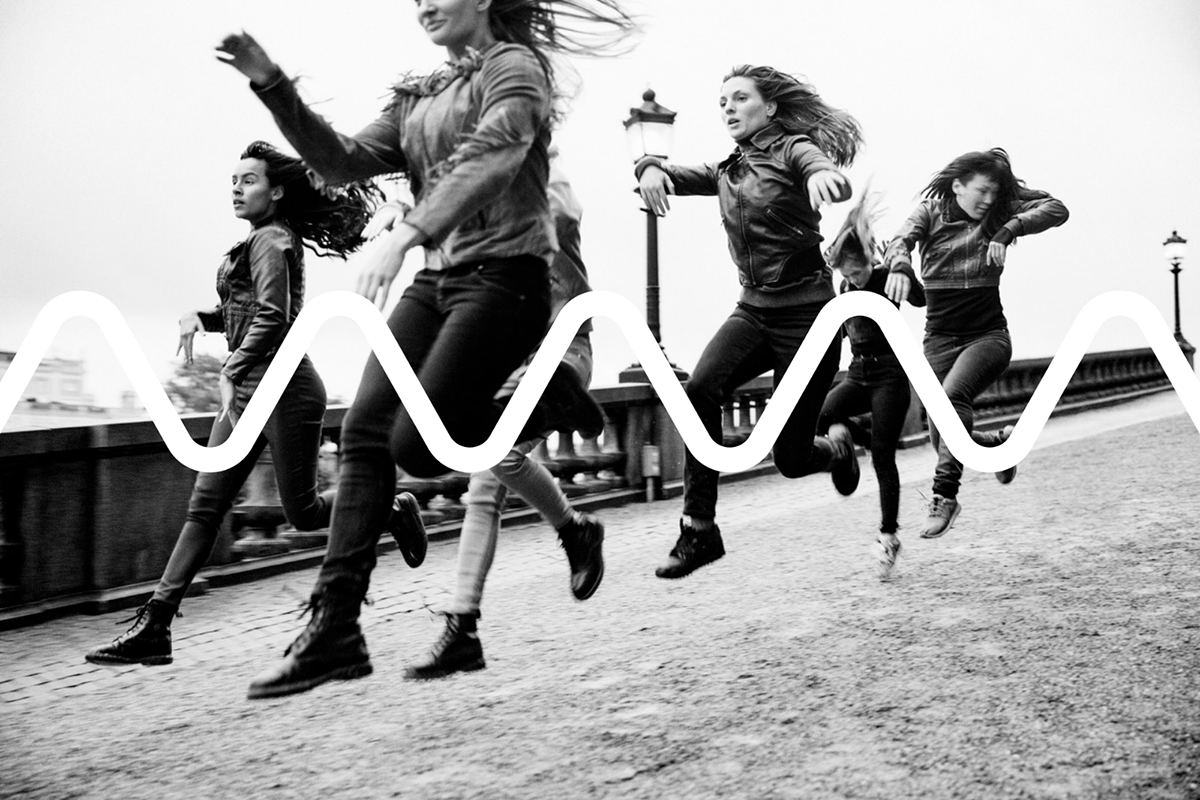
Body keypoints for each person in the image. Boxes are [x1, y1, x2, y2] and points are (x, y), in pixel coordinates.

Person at [217, 0, 636, 699]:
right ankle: (337, 629)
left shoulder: (515, 70)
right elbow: (342, 161)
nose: (426, 5)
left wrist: (407, 230)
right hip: (439, 281)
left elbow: (492, 157)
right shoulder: (419, 98)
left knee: (418, 446)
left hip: (509, 277)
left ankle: (546, 401)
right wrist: (273, 85)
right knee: (364, 434)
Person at [83, 141, 431, 667]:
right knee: (206, 506)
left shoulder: (272, 241)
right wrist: (202, 317)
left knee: (304, 512)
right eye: (234, 181)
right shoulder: (255, 241)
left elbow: (274, 317)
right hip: (246, 392)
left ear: (277, 190)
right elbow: (244, 313)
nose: (237, 189)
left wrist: (230, 366)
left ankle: (391, 509)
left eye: (248, 180)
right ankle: (156, 625)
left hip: (284, 390)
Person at [636, 65, 862, 580]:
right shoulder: (728, 168)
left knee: (791, 457)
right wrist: (649, 166)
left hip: (808, 319)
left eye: (740, 98)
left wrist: (827, 176)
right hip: (754, 311)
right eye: (722, 103)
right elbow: (677, 174)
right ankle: (699, 530)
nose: (729, 109)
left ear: (770, 107)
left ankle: (839, 447)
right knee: (699, 389)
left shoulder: (793, 148)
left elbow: (819, 167)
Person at [402, 150, 606, 680]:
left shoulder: (547, 182)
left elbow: (555, 210)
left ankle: (468, 623)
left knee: (494, 463)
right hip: (505, 357)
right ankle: (467, 625)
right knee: (487, 477)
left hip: (561, 346)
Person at [882, 148, 1068, 539]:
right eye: (981, 191)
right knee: (940, 433)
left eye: (994, 193)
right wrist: (900, 265)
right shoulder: (930, 213)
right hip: (939, 339)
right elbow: (900, 239)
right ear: (957, 185)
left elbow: (1056, 208)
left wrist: (1009, 228)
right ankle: (1001, 445)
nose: (987, 201)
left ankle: (944, 495)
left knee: (951, 402)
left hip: (988, 337)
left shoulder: (999, 213)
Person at [817, 192, 925, 580]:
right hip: (858, 374)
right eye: (846, 274)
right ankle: (844, 439)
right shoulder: (846, 289)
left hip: (891, 376)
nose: (852, 280)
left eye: (857, 272)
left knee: (882, 455)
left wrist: (904, 272)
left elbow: (921, 298)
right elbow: (841, 334)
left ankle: (888, 537)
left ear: (870, 262)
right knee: (821, 417)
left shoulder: (883, 278)